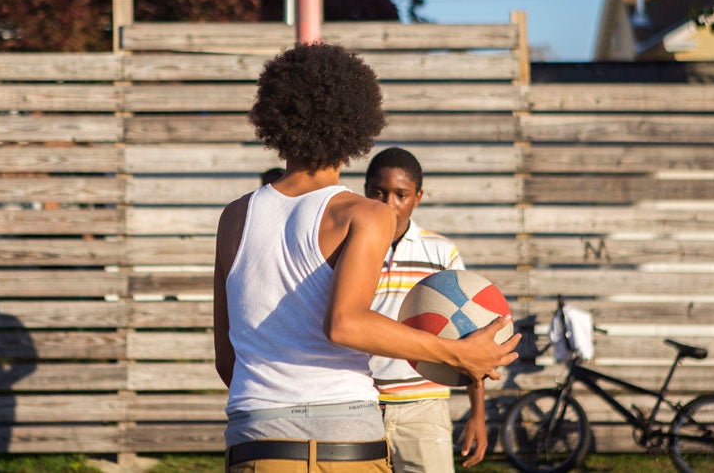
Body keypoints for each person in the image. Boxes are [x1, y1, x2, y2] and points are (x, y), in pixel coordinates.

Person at [214, 43, 519, 472]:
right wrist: (458, 355)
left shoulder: (234, 217)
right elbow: (346, 323)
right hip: (342, 443)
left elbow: (227, 360)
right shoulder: (364, 213)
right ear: (356, 122)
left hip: (253, 440)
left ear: (275, 117)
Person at [365, 147, 486, 471]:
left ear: (417, 197)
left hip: (424, 408)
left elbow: (468, 332)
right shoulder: (347, 251)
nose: (389, 204)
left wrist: (477, 414)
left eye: (400, 194)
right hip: (358, 405)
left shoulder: (440, 253)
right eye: (379, 192)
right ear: (365, 192)